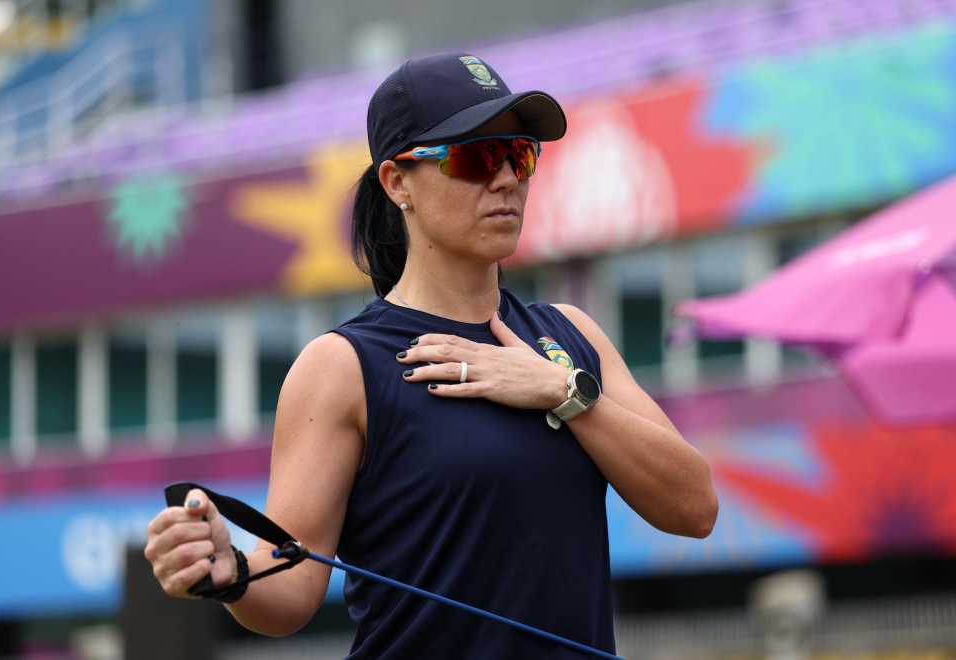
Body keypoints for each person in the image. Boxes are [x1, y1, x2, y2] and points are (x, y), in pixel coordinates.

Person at [144, 53, 719, 659]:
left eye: (519, 156)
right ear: (397, 182)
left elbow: (695, 507)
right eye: (474, 158)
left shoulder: (568, 335)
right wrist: (228, 569)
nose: (505, 181)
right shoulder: (341, 366)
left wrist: (561, 393)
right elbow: (293, 586)